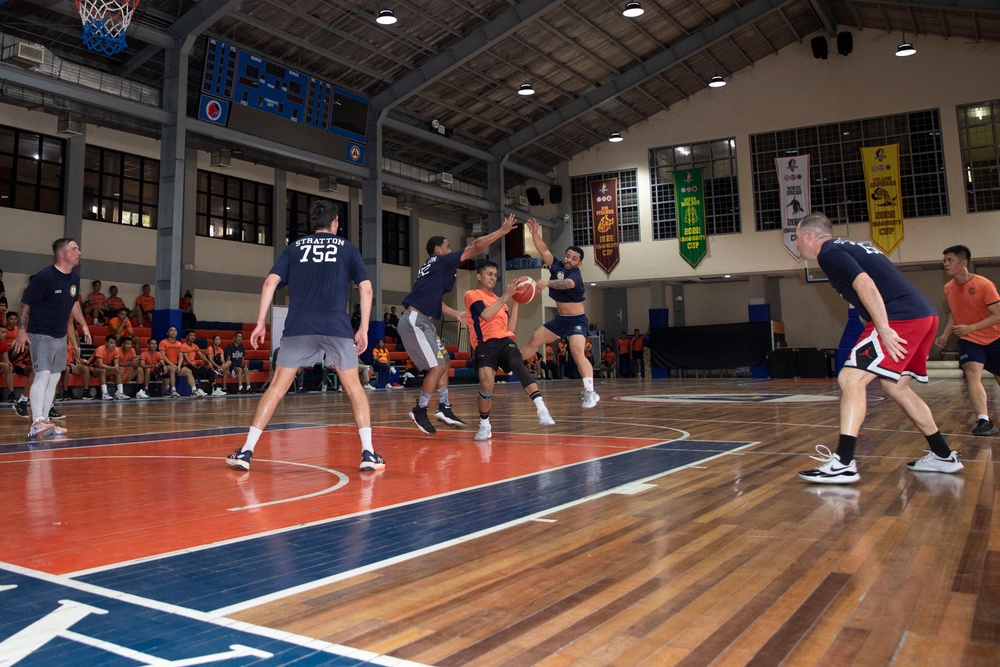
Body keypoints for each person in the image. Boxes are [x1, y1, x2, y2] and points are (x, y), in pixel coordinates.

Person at [793, 213, 962, 483]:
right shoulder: (850, 247)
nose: (796, 243)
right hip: (924, 315)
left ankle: (844, 463)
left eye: (797, 237)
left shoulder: (829, 253)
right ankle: (943, 455)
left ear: (808, 236)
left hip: (900, 318)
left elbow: (865, 284)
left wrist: (883, 328)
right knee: (895, 386)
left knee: (850, 378)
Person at [224, 199, 384, 472]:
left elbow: (269, 283)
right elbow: (366, 289)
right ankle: (368, 453)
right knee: (354, 388)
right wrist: (364, 328)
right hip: (336, 327)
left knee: (276, 387)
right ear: (335, 223)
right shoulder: (347, 248)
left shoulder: (294, 248)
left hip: (298, 327)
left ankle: (247, 451)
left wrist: (261, 322)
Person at [398, 213, 517, 434]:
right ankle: (420, 409)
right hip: (416, 321)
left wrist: (455, 313)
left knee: (445, 361)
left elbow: (430, 299)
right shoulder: (442, 260)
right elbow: (473, 246)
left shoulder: (432, 269)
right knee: (438, 366)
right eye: (447, 246)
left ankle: (443, 406)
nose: (450, 249)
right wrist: (501, 232)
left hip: (423, 319)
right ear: (437, 249)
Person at [465, 260, 555, 441]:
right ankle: (484, 424)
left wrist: (516, 303)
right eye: (489, 274)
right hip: (484, 345)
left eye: (495, 275)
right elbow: (485, 315)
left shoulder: (502, 303)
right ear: (479, 277)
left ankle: (542, 408)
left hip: (505, 341)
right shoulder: (472, 294)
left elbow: (510, 328)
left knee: (517, 363)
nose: (493, 277)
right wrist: (506, 295)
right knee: (486, 383)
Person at [12, 238, 92, 438]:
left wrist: (83, 324)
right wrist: (21, 330)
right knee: (43, 374)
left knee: (55, 377)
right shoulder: (44, 277)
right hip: (40, 333)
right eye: (74, 249)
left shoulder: (74, 276)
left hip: (59, 334)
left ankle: (45, 419)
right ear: (62, 253)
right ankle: (37, 421)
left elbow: (73, 302)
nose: (79, 252)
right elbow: (25, 305)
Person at [519, 219, 600, 408]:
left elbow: (567, 285)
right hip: (560, 320)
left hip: (576, 320)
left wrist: (547, 283)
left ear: (579, 262)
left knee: (577, 351)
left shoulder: (575, 277)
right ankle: (512, 363)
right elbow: (544, 250)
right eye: (568, 256)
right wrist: (534, 234)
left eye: (574, 258)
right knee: (533, 340)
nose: (569, 259)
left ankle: (590, 391)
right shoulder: (556, 266)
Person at [934, 244, 1000, 436]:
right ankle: (984, 421)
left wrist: (971, 326)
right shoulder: (949, 288)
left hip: (994, 337)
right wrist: (945, 334)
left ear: (963, 263)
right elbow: (955, 313)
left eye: (950, 260)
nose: (946, 264)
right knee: (972, 372)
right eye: (944, 260)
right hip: (969, 339)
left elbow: (997, 315)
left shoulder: (984, 285)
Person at [88, 334, 128, 400]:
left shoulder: (116, 350)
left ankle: (120, 392)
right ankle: (104, 393)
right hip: (92, 368)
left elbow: (116, 364)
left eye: (115, 343)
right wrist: (114, 368)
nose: (113, 345)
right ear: (106, 343)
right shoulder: (100, 349)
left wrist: (117, 368)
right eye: (111, 343)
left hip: (105, 367)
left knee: (120, 370)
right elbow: (100, 365)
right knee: (103, 370)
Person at [158, 325, 195, 398]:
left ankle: (194, 390)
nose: (173, 332)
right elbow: (163, 356)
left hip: (177, 365)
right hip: (167, 365)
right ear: (167, 333)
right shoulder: (163, 342)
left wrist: (179, 365)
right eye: (171, 330)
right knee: (172, 369)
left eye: (175, 330)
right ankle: (173, 390)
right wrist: (172, 364)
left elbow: (181, 356)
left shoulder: (179, 343)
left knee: (188, 371)